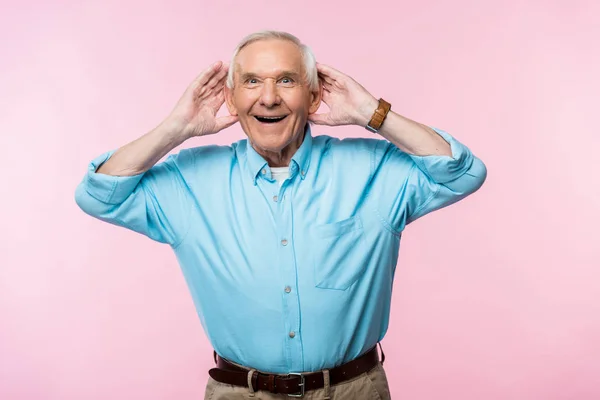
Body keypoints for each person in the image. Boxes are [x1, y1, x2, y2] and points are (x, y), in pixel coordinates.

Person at [75, 30, 487, 399]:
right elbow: (99, 195)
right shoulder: (189, 180)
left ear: (312, 95)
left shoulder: (372, 169)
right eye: (252, 81)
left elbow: (463, 173)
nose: (268, 97)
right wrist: (176, 128)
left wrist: (371, 113)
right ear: (231, 98)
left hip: (354, 391)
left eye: (286, 80)